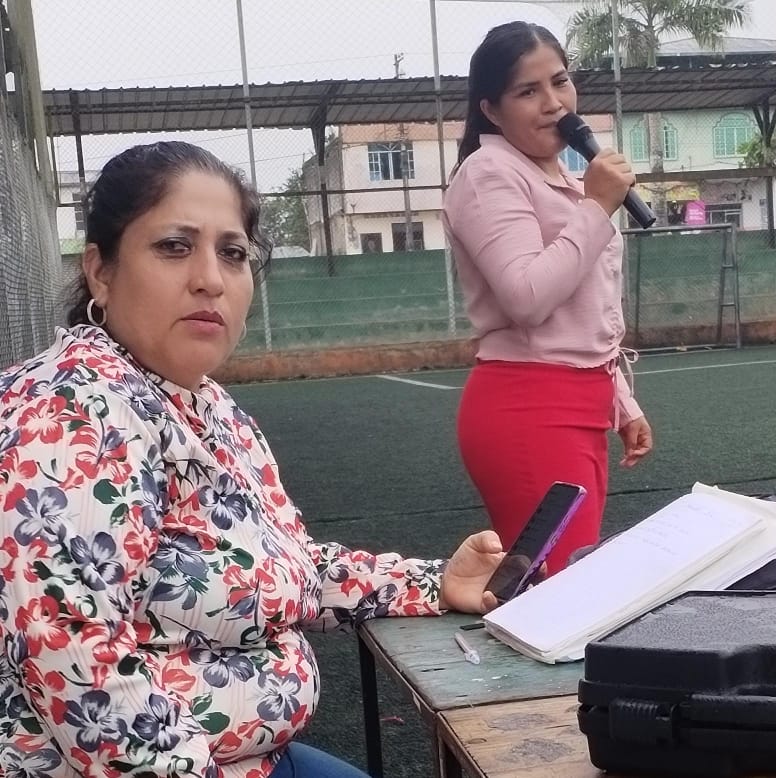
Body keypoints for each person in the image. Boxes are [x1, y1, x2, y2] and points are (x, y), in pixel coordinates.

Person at [0, 141, 510, 777]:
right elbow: (72, 657)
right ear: (101, 270)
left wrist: (431, 583)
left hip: (255, 757)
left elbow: (281, 570)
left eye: (233, 253)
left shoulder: (203, 403)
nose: (211, 278)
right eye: (174, 246)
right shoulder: (68, 411)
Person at [444, 23, 653, 576]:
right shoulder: (487, 174)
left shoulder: (563, 179)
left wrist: (620, 402)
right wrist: (596, 207)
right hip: (530, 406)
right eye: (527, 91)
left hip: (580, 402)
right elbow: (527, 297)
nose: (553, 103)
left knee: (564, 581)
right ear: (491, 110)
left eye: (560, 82)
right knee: (561, 589)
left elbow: (586, 311)